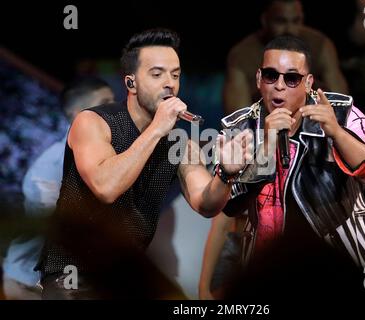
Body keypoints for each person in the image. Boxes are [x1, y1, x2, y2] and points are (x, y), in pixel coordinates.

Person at [35, 28, 252, 299]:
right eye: (157, 74)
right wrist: (157, 129)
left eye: (175, 74)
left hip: (125, 277)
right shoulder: (93, 122)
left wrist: (225, 174)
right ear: (130, 83)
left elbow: (205, 204)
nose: (169, 83)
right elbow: (106, 187)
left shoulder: (179, 142)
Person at [216, 35, 365, 297]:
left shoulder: (341, 112)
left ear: (308, 82)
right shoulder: (240, 127)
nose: (279, 86)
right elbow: (230, 205)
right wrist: (267, 145)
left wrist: (336, 133)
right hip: (273, 270)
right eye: (271, 76)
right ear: (258, 79)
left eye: (292, 78)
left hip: (347, 262)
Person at [1, 77, 114, 300]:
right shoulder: (50, 168)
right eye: (105, 102)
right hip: (29, 285)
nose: (115, 108)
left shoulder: (104, 150)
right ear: (79, 113)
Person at [223, 0, 348, 115]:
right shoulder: (242, 54)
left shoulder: (321, 46)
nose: (289, 29)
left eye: (296, 21)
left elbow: (340, 106)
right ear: (265, 20)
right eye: (280, 21)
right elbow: (238, 118)